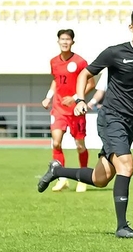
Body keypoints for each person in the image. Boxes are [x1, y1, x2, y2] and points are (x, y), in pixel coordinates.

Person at [37, 8, 133, 239]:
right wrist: (79, 99)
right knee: (126, 165)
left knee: (100, 178)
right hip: (111, 119)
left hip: (131, 122)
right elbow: (85, 74)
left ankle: (58, 171)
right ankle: (121, 227)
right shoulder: (114, 53)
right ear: (131, 28)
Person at [42, 29, 102, 193]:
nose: (65, 42)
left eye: (68, 39)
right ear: (58, 41)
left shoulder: (80, 62)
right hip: (58, 109)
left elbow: (91, 84)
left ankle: (83, 178)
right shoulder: (54, 61)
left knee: (80, 145)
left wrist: (76, 98)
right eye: (62, 39)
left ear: (72, 42)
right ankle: (61, 179)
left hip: (76, 110)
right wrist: (48, 97)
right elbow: (56, 81)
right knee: (56, 142)